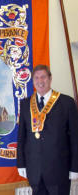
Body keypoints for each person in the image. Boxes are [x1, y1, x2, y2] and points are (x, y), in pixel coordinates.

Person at [17, 64, 78, 195]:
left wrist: (75, 167)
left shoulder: (67, 103)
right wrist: (21, 163)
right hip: (35, 172)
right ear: (33, 81)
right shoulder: (25, 104)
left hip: (59, 171)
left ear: (50, 79)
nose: (40, 81)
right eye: (36, 78)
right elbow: (22, 137)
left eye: (43, 77)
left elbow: (75, 138)